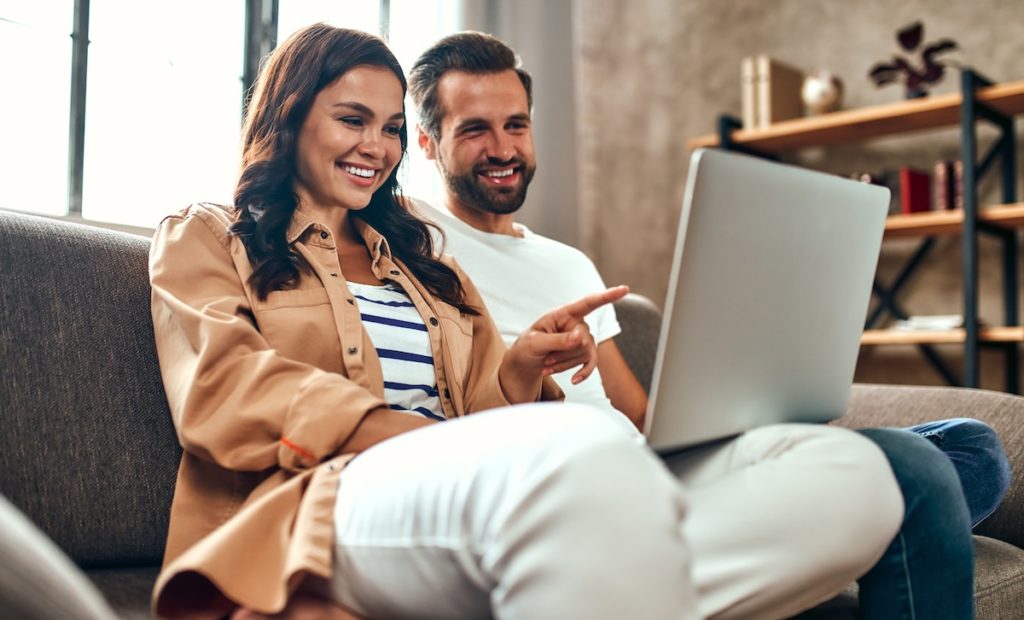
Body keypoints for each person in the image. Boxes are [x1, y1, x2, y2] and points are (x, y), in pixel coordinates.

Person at [149, 23, 908, 620]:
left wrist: (517, 371)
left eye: (386, 128)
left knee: (851, 478)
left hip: (468, 490)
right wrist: (408, 435)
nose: (375, 148)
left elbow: (483, 411)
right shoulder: (210, 236)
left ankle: (581, 579)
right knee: (588, 456)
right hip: (324, 503)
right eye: (353, 120)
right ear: (290, 116)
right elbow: (222, 391)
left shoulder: (424, 263)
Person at [407, 31, 1012, 618]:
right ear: (428, 144)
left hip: (659, 465)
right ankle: (842, 533)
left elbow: (640, 414)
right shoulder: (415, 245)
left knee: (972, 445)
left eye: (516, 124)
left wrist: (739, 411)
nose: (504, 149)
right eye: (474, 130)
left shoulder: (569, 263)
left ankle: (825, 533)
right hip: (594, 488)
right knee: (917, 477)